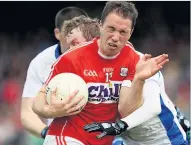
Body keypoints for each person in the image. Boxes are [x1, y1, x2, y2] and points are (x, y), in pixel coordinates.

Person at [32, 1, 169, 145]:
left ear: (131, 32)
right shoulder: (71, 59)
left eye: (123, 32)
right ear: (101, 25)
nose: (116, 37)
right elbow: (38, 103)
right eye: (111, 29)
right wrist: (52, 111)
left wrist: (139, 79)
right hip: (66, 137)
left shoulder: (133, 60)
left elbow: (126, 110)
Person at [21, 6, 88, 140]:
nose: (74, 38)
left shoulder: (105, 56)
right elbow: (27, 112)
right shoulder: (41, 63)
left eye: (81, 31)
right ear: (57, 33)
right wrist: (47, 132)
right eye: (69, 32)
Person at [83, 59, 189, 145]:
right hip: (130, 139)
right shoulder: (88, 73)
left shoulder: (141, 63)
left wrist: (119, 126)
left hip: (167, 139)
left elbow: (153, 107)